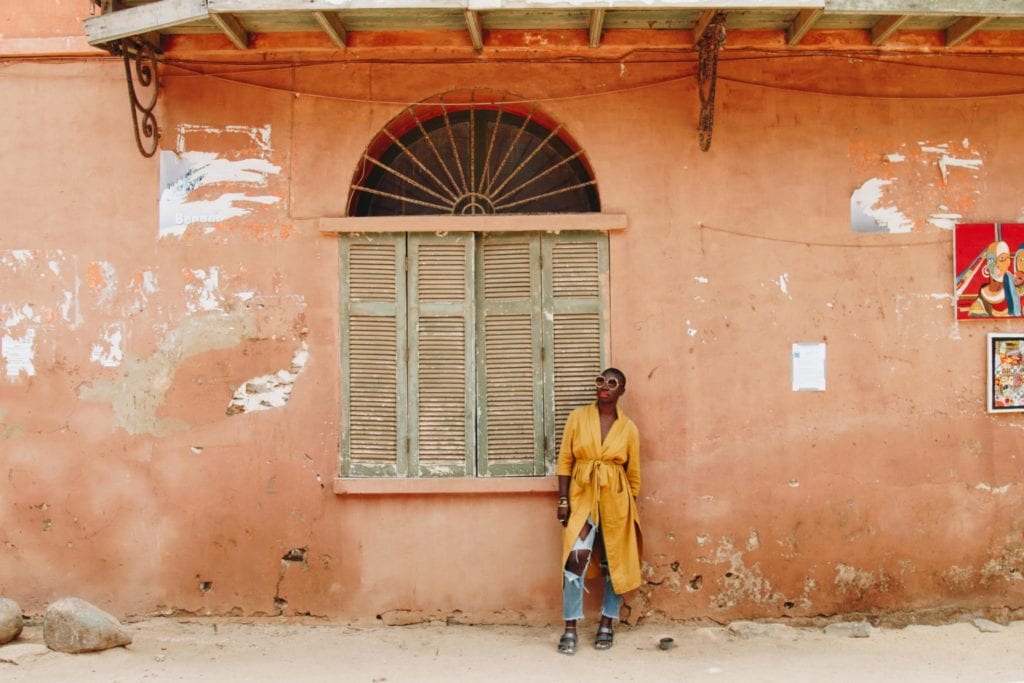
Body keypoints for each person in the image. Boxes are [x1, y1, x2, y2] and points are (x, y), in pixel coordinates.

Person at [555, 367, 642, 655]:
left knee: (615, 563)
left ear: (622, 391)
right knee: (574, 560)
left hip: (617, 502)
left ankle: (607, 622)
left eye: (613, 383)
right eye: (601, 381)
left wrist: (629, 508)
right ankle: (570, 628)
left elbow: (634, 475)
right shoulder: (577, 418)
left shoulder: (628, 428)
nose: (605, 386)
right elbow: (566, 460)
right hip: (582, 497)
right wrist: (564, 500)